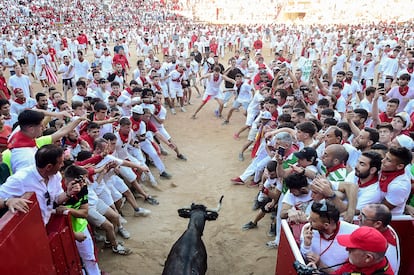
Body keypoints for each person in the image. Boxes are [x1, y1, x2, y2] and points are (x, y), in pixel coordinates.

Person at [0, 144, 80, 224]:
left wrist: (68, 193)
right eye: (60, 163)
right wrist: (7, 201)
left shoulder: (56, 176)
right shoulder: (20, 179)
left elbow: (57, 199)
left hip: (43, 227)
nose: (63, 165)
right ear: (49, 167)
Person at [300, 201, 358, 272]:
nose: (308, 220)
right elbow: (304, 258)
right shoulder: (307, 228)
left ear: (326, 225)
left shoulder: (354, 232)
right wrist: (306, 245)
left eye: (313, 221)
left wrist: (320, 264)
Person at [358, 204, 400, 273]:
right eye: (360, 213)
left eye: (363, 216)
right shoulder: (386, 227)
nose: (358, 218)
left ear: (377, 224)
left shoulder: (385, 250)